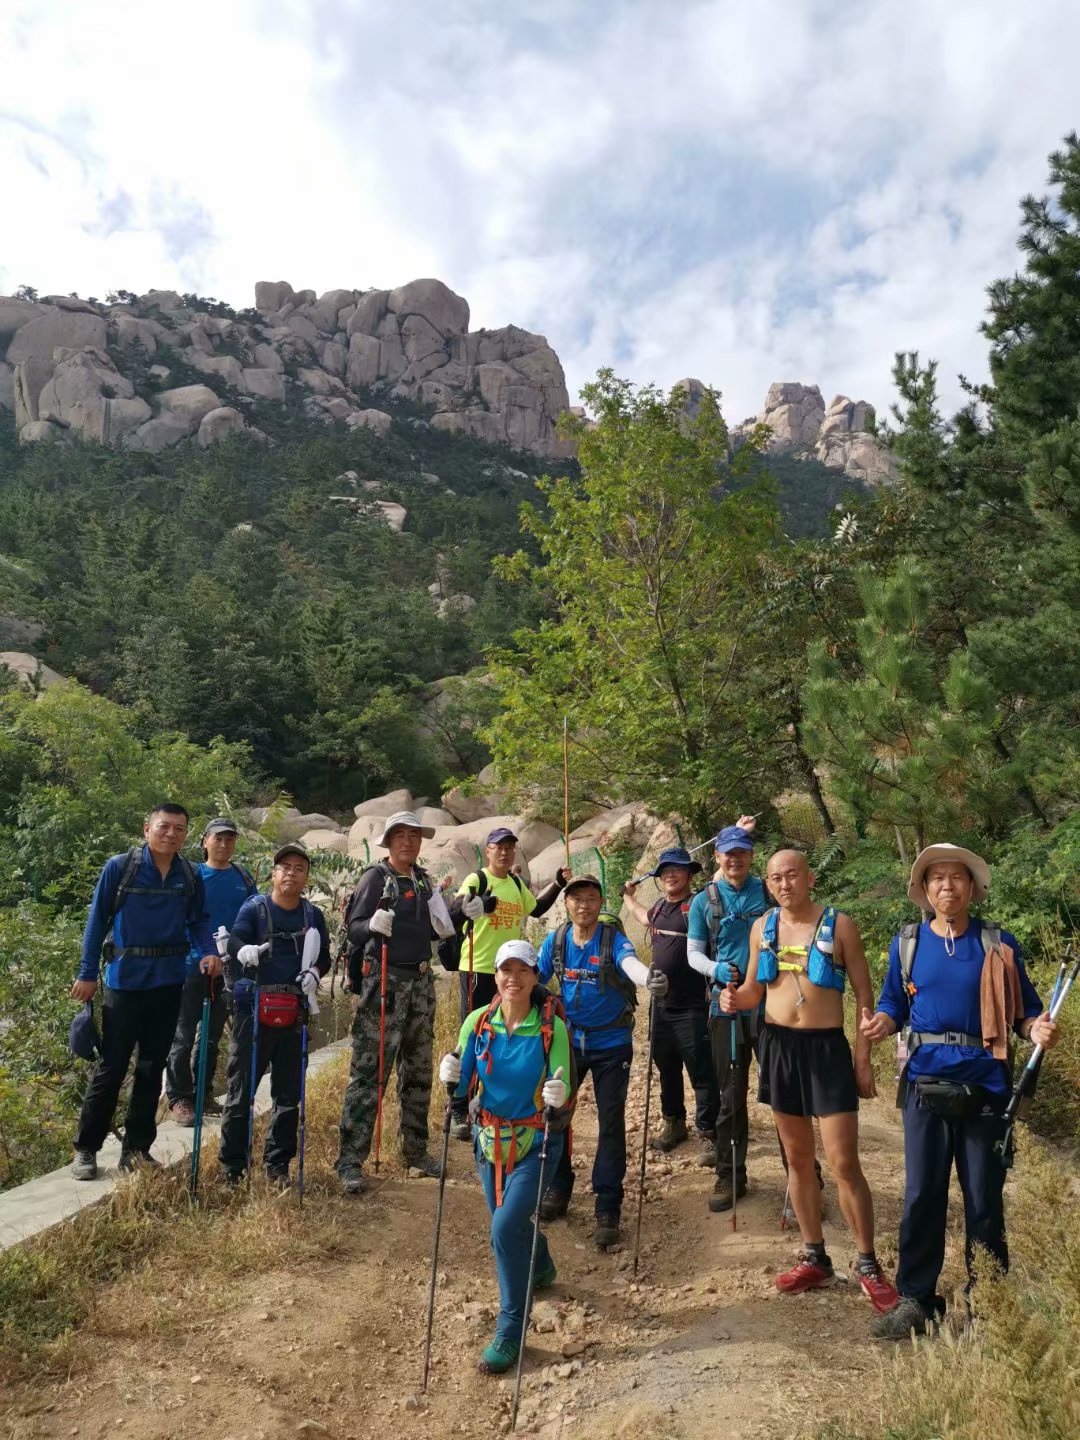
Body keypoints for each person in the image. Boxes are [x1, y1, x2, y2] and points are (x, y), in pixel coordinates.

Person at [860, 843, 1058, 1339]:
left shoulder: (997, 942)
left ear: (972, 887)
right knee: (922, 1194)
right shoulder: (907, 943)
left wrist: (1035, 1028)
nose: (947, 885)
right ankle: (917, 1301)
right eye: (937, 878)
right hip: (924, 1084)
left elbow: (1024, 1011)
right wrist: (882, 1022)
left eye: (956, 877)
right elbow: (893, 1003)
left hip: (986, 1086)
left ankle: (988, 1304)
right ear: (924, 890)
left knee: (984, 1198)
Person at [720, 849, 898, 1313]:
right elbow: (754, 991)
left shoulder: (840, 925)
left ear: (810, 877)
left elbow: (864, 994)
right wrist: (732, 999)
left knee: (844, 1162)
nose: (785, 884)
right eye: (776, 877)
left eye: (792, 875)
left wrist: (862, 1058)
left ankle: (868, 1264)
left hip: (826, 1050)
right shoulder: (763, 927)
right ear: (768, 883)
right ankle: (815, 1256)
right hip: (778, 1048)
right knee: (798, 1160)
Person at [439, 939, 574, 1375]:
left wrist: (559, 1094)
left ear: (535, 977)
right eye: (506, 970)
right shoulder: (478, 1022)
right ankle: (542, 1262)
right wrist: (450, 1078)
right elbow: (462, 1086)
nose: (513, 978)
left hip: (537, 1142)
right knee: (511, 1224)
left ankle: (510, 1330)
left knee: (502, 1227)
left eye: (523, 970)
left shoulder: (552, 1028)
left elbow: (564, 1085)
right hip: (489, 1143)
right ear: (495, 976)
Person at [69, 802, 220, 1180]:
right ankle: (86, 1149)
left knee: (152, 1070)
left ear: (187, 835)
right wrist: (87, 974)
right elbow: (96, 922)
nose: (171, 834)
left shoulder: (189, 874)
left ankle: (136, 1151)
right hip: (125, 984)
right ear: (146, 828)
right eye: (164, 826)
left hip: (168, 984)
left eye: (179, 829)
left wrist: (209, 952)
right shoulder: (121, 867)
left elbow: (198, 922)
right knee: (112, 1068)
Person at [534, 873, 668, 1249]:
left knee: (610, 1122)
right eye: (577, 898)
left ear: (600, 902)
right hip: (569, 1041)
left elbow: (629, 963)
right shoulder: (556, 941)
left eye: (591, 898)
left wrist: (648, 978)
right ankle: (557, 1188)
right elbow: (535, 977)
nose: (584, 905)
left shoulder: (612, 939)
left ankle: (608, 1206)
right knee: (555, 1114)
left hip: (612, 1043)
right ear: (566, 903)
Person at [336, 810, 447, 1193]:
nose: (408, 842)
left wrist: (461, 911)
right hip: (384, 984)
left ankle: (415, 1152)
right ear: (388, 841)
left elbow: (439, 928)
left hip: (421, 983)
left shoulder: (423, 880)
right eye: (401, 835)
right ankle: (350, 1161)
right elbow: (353, 929)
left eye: (414, 835)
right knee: (370, 1074)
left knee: (418, 1072)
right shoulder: (375, 878)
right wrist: (371, 926)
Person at [448, 828, 571, 1139]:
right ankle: (459, 1107)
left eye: (509, 848)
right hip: (479, 968)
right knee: (474, 1034)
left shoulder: (516, 883)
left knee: (510, 1033)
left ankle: (503, 1100)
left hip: (514, 973)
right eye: (498, 847)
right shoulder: (478, 878)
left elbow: (537, 908)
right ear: (488, 850)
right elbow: (457, 905)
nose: (504, 853)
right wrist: (475, 903)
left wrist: (558, 883)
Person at [221, 841, 330, 1185]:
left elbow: (324, 956)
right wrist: (244, 950)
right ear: (273, 873)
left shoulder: (313, 915)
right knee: (240, 1092)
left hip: (294, 1012)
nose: (291, 874)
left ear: (306, 877)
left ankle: (278, 1165)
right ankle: (233, 1167)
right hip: (252, 1012)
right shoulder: (254, 909)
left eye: (299, 869)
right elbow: (234, 940)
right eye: (285, 868)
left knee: (288, 1094)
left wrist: (315, 973)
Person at [685, 819, 770, 1211]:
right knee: (730, 1094)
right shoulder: (704, 901)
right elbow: (693, 953)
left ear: (751, 856)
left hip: (770, 1004)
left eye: (742, 852)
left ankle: (804, 1176)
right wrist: (715, 970)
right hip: (726, 1004)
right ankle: (730, 1174)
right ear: (717, 857)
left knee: (783, 1093)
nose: (735, 859)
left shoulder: (768, 891)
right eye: (729, 853)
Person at [622, 847, 719, 1164]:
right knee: (667, 1068)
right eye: (665, 871)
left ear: (689, 875)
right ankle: (674, 1122)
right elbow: (643, 916)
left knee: (701, 1071)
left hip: (693, 1005)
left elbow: (720, 882)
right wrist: (628, 898)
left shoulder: (698, 905)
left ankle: (708, 1133)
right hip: (661, 1005)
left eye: (677, 869)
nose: (671, 875)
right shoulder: (661, 907)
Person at [165, 817, 256, 1125]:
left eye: (230, 839)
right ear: (204, 841)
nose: (224, 844)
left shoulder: (242, 877)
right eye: (218, 838)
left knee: (212, 1035)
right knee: (183, 1034)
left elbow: (254, 916)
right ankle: (179, 1098)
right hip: (191, 966)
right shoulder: (192, 876)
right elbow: (180, 918)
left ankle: (201, 1093)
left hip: (229, 970)